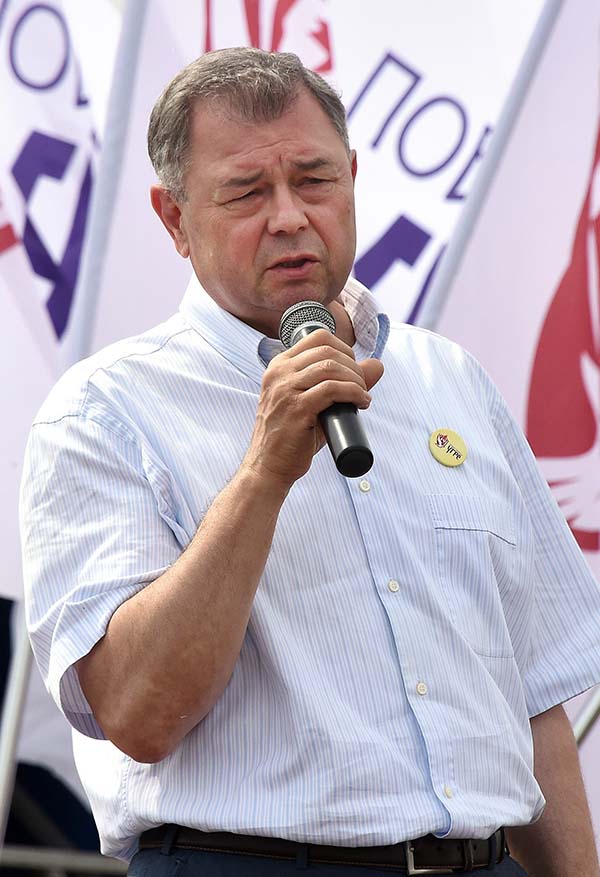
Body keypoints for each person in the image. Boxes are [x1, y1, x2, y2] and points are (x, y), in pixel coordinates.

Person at [19, 47, 600, 877]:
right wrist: (264, 472)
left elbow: (535, 694)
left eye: (314, 180)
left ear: (353, 179)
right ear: (174, 218)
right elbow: (139, 713)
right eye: (247, 192)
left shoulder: (452, 381)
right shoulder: (104, 412)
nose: (289, 216)